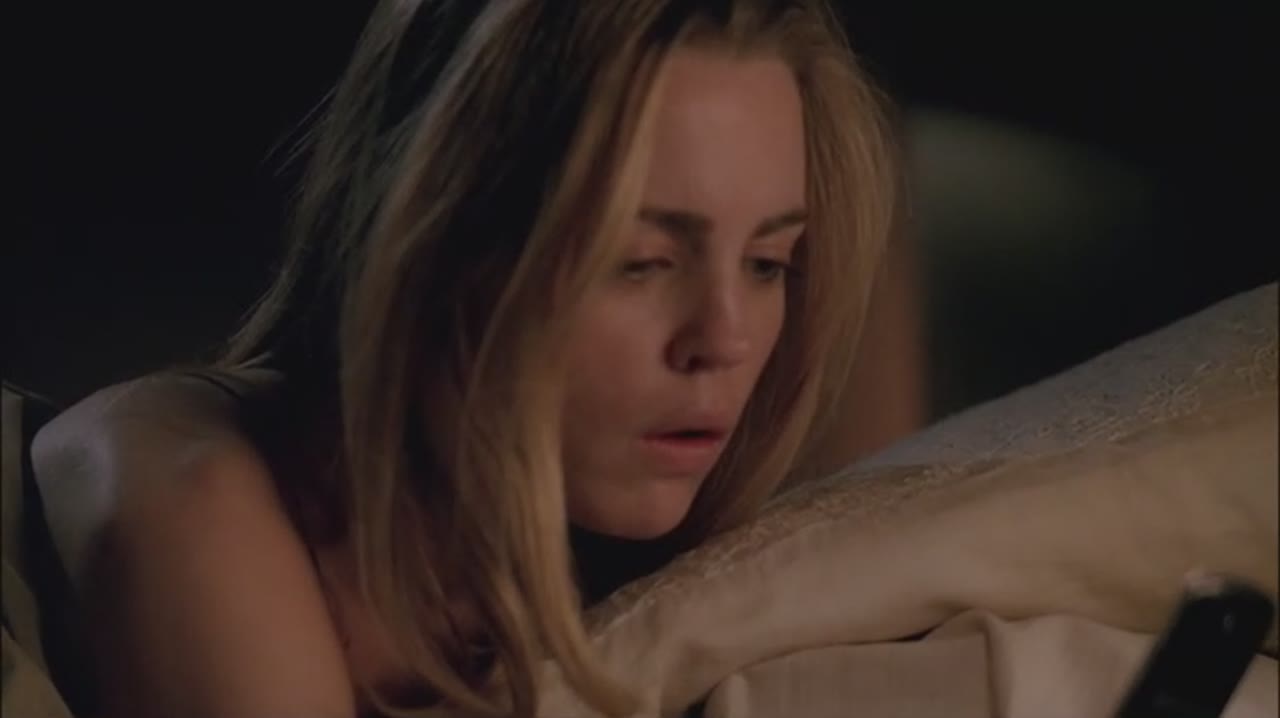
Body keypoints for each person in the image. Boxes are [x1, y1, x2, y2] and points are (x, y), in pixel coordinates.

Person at [31, 1, 925, 716]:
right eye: (642, 261)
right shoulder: (195, 485)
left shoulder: (629, 567)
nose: (724, 339)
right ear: (438, 246)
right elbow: (125, 458)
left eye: (768, 263)